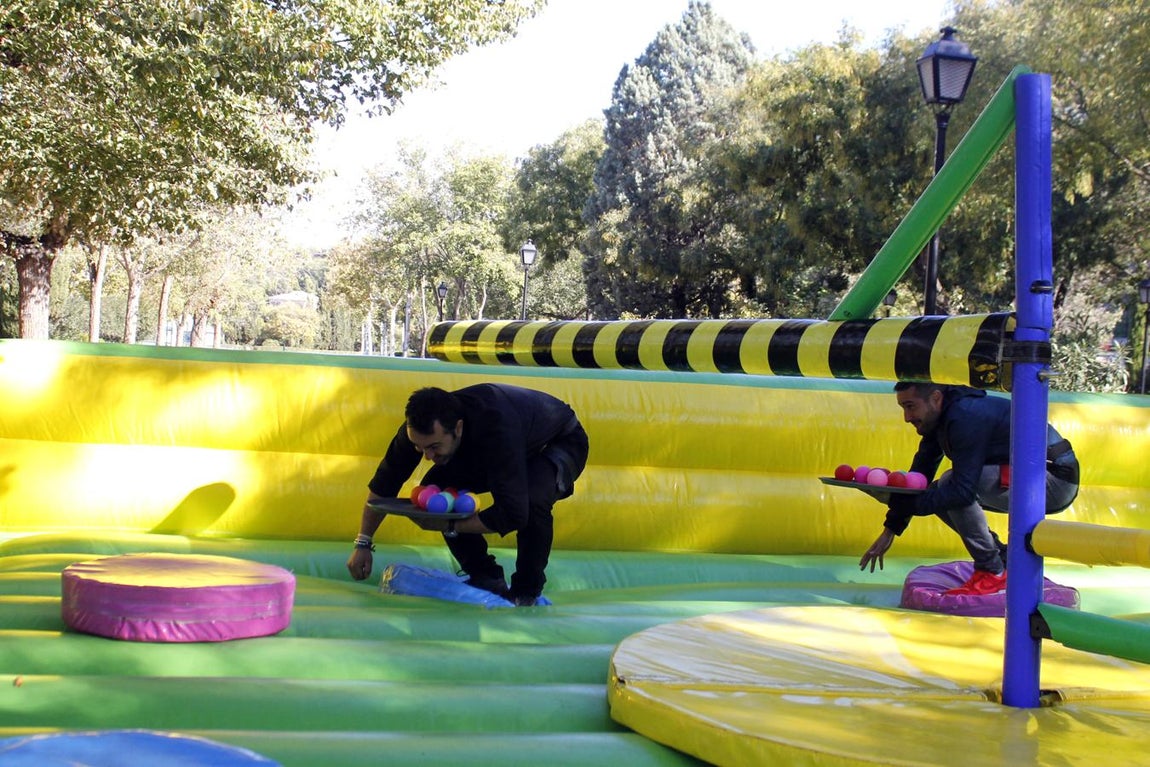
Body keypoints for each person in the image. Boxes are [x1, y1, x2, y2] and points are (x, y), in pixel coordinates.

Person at [347, 383, 589, 607]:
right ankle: (486, 575)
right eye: (420, 448)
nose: (426, 456)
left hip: (560, 442)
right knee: (436, 491)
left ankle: (526, 593)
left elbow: (514, 514)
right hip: (511, 444)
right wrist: (363, 542)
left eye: (433, 447)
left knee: (532, 498)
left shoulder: (495, 426)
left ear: (458, 428)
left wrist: (450, 524)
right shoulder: (417, 432)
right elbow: (383, 485)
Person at [858, 382, 1079, 596]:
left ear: (935, 398)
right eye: (903, 408)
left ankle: (991, 571)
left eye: (910, 406)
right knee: (940, 491)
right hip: (1028, 475)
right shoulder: (939, 418)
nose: (907, 418)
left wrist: (896, 501)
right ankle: (1003, 561)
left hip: (1053, 480)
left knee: (949, 486)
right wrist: (891, 529)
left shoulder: (965, 416)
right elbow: (919, 478)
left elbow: (962, 491)